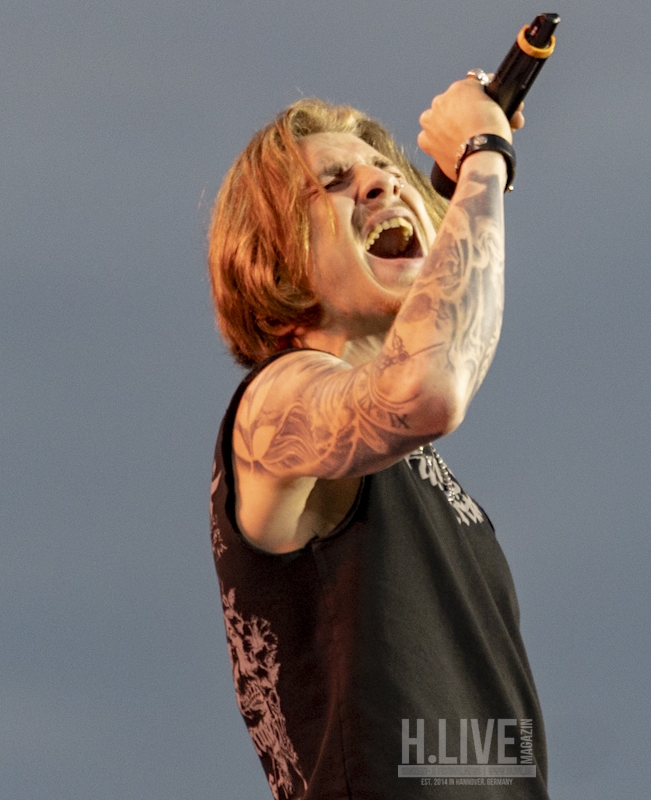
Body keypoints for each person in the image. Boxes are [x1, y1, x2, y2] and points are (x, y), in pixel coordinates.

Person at [206, 74, 548, 800]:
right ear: (275, 253)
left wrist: (459, 187)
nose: (379, 183)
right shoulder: (274, 407)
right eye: (334, 183)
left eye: (389, 172)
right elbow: (427, 389)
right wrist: (484, 153)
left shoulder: (418, 477)